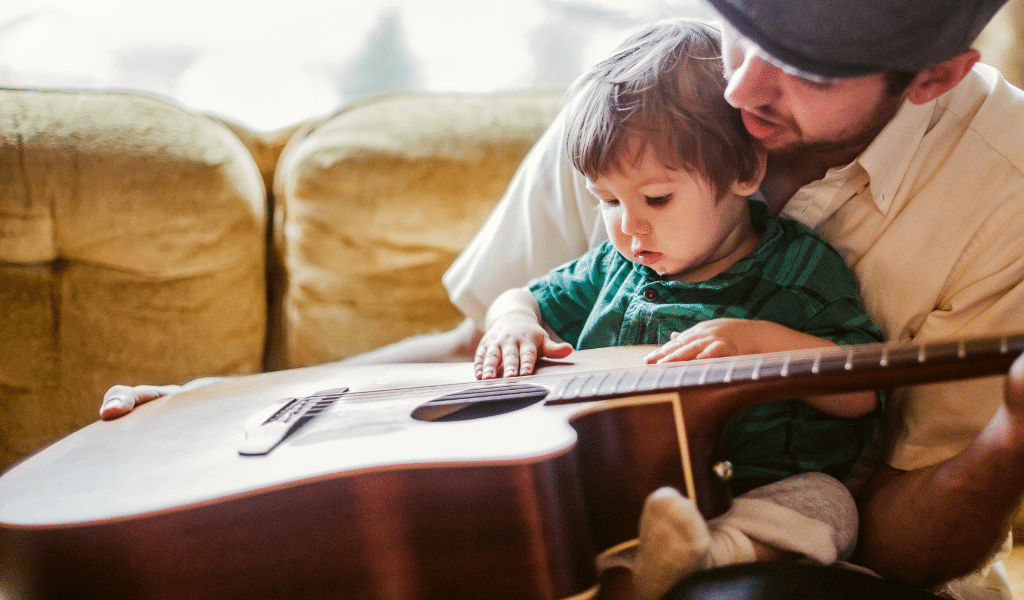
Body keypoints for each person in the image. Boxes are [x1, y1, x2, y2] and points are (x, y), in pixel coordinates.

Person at [101, 0, 1024, 597]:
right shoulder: (653, 95)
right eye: (741, 25)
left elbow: (903, 542)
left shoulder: (1006, 192)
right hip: (591, 509)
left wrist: (1011, 440)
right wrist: (220, 407)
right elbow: (480, 348)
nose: (741, 84)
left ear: (936, 75)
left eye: (808, 67)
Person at [472, 18, 885, 600]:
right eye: (608, 201)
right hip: (623, 486)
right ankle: (634, 570)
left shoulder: (798, 271)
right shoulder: (615, 268)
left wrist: (757, 342)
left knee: (829, 505)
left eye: (657, 198)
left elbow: (864, 387)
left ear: (744, 171)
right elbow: (525, 298)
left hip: (757, 488)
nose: (630, 226)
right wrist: (513, 323)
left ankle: (706, 556)